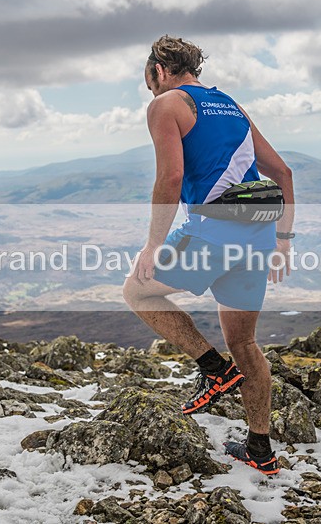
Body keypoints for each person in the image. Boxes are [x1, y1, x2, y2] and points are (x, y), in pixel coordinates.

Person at [122, 35, 295, 475]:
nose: (151, 91)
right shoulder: (230, 105)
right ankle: (260, 449)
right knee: (245, 343)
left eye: (149, 82)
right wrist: (283, 240)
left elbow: (171, 178)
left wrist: (153, 245)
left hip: (213, 231)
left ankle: (213, 369)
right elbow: (282, 171)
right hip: (258, 234)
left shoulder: (167, 104)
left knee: (137, 291)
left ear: (159, 70)